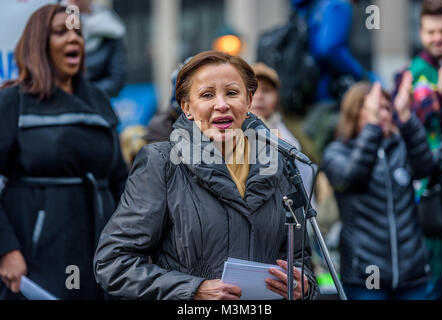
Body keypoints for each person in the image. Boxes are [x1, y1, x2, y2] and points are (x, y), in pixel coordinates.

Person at [93, 50, 319, 300]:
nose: (221, 104)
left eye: (232, 93)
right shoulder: (160, 163)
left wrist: (303, 286)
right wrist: (192, 290)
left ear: (248, 101)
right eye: (207, 95)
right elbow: (113, 263)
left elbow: (300, 260)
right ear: (187, 108)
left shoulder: (281, 164)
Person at [0, 4, 128, 299]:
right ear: (38, 43)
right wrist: (6, 250)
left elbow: (120, 178)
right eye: (61, 32)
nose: (74, 40)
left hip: (99, 250)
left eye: (78, 33)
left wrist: (134, 243)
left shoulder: (98, 99)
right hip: (36, 255)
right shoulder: (12, 102)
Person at [322, 75, 435, 300]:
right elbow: (351, 178)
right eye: (374, 109)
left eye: (386, 108)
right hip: (367, 278)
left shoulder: (400, 147)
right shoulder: (337, 152)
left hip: (412, 275)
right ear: (355, 113)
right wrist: (372, 129)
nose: (382, 115)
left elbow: (425, 168)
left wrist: (406, 118)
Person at [394, 0, 442, 299]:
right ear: (421, 32)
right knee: (432, 275)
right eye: (432, 31)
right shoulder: (413, 73)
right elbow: (421, 120)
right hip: (428, 185)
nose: (438, 37)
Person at [67, 0, 127, 97]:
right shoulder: (55, 22)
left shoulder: (111, 28)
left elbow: (116, 79)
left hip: (96, 102)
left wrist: (82, 93)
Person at [250, 62, 301, 149]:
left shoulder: (290, 133)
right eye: (252, 90)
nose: (259, 96)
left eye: (266, 90)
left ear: (277, 97)